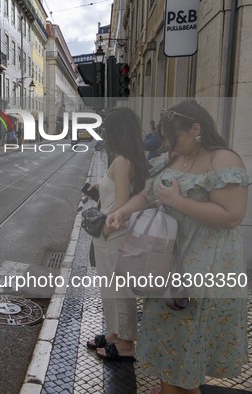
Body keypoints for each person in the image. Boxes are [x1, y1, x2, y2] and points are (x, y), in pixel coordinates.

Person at [106, 100, 250, 393]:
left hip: (204, 267)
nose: (169, 144)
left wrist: (177, 201)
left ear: (196, 129)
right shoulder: (172, 158)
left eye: (174, 137)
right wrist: (122, 213)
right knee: (169, 355)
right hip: (166, 264)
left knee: (182, 356)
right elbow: (147, 196)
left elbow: (232, 216)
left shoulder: (223, 160)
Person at [84, 107, 149, 362]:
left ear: (116, 132)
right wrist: (99, 186)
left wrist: (105, 230)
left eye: (106, 130)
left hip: (113, 233)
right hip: (109, 232)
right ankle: (114, 333)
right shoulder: (126, 158)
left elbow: (122, 203)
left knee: (119, 291)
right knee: (110, 288)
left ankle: (125, 343)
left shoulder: (122, 161)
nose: (103, 135)